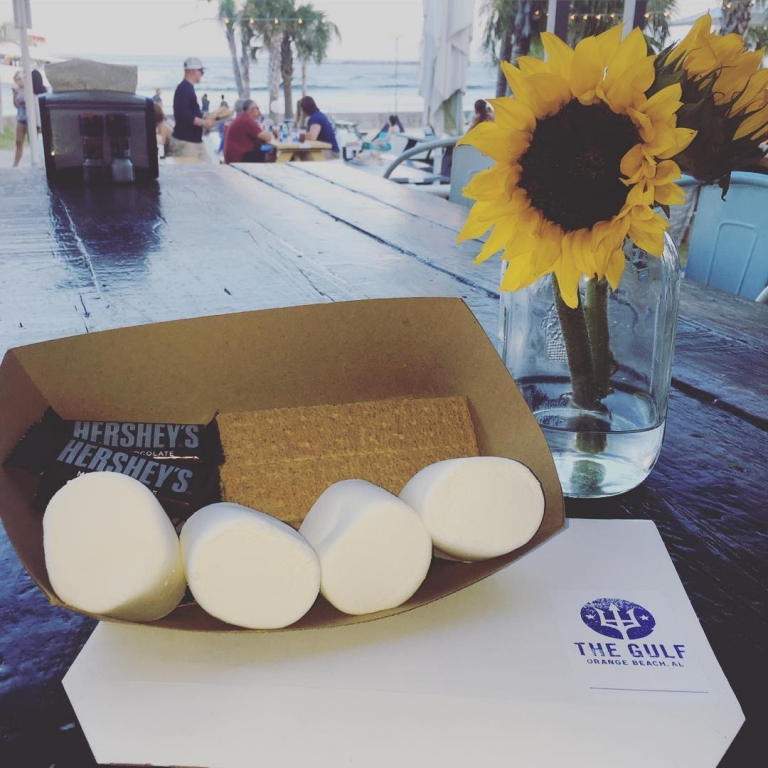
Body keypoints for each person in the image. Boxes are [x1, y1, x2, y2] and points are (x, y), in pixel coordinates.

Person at [170, 57, 214, 162]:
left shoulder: (186, 88)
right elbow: (184, 114)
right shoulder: (184, 89)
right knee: (191, 170)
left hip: (193, 141)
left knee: (208, 167)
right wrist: (204, 123)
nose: (201, 74)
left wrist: (205, 116)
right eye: (201, 71)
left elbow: (191, 112)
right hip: (186, 142)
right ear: (194, 71)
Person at [12, 71, 27, 168]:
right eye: (17, 80)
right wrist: (14, 97)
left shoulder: (29, 89)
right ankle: (15, 164)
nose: (19, 82)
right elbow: (15, 105)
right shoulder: (17, 91)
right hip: (21, 117)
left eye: (20, 79)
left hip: (30, 118)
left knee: (34, 141)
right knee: (19, 141)